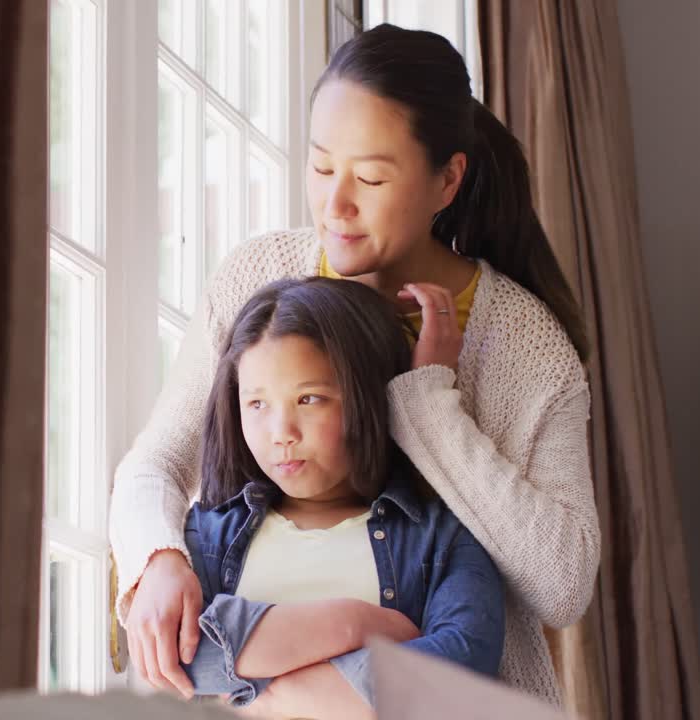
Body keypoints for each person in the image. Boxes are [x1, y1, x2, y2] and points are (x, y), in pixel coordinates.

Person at [109, 24, 599, 706]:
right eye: (319, 166)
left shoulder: (524, 347)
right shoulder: (260, 279)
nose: (334, 205)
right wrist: (157, 562)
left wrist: (429, 403)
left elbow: (563, 583)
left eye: (369, 177)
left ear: (447, 179)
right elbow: (154, 464)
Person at [178, 277, 504, 719]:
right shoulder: (208, 535)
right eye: (257, 404)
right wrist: (356, 624)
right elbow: (182, 658)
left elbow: (462, 669)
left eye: (309, 399)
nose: (281, 434)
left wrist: (273, 695)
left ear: (367, 397)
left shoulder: (441, 538)